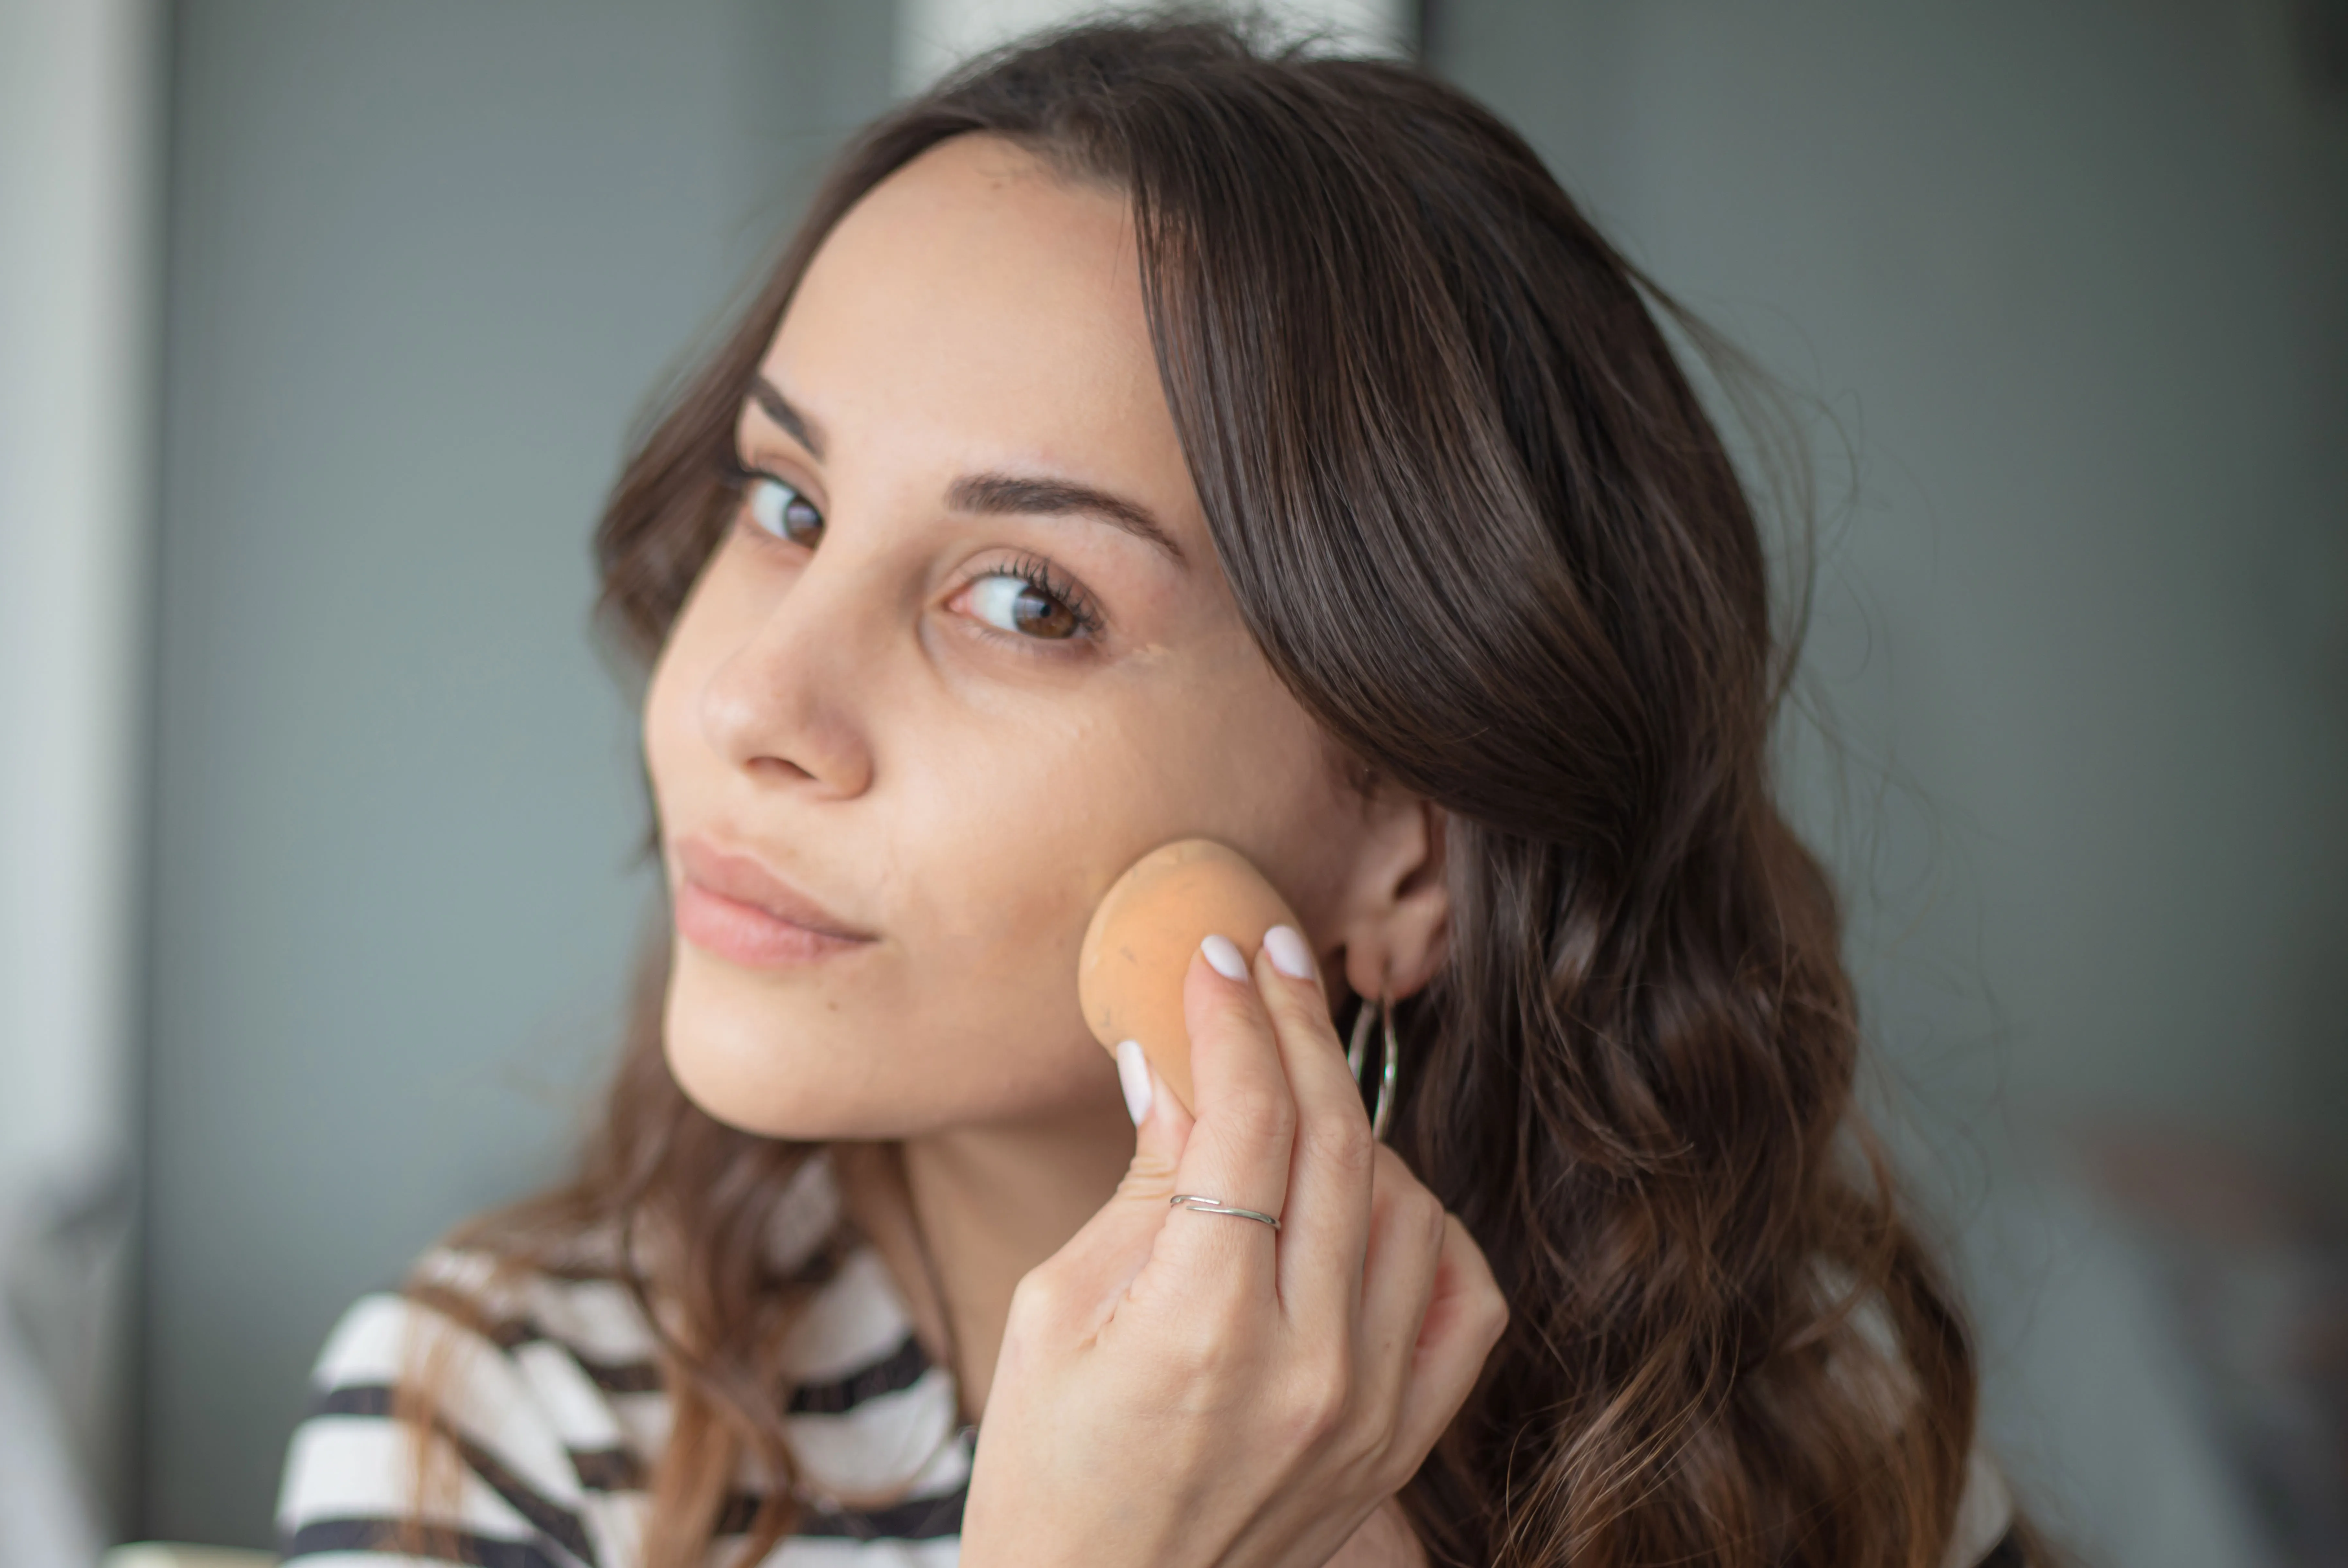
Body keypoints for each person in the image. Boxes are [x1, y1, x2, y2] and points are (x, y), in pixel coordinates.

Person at [272, 17, 2033, 1568]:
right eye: (784, 503)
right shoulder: (490, 1425)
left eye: (1028, 598)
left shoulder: (1802, 1431)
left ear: (1406, 859)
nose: (745, 697)